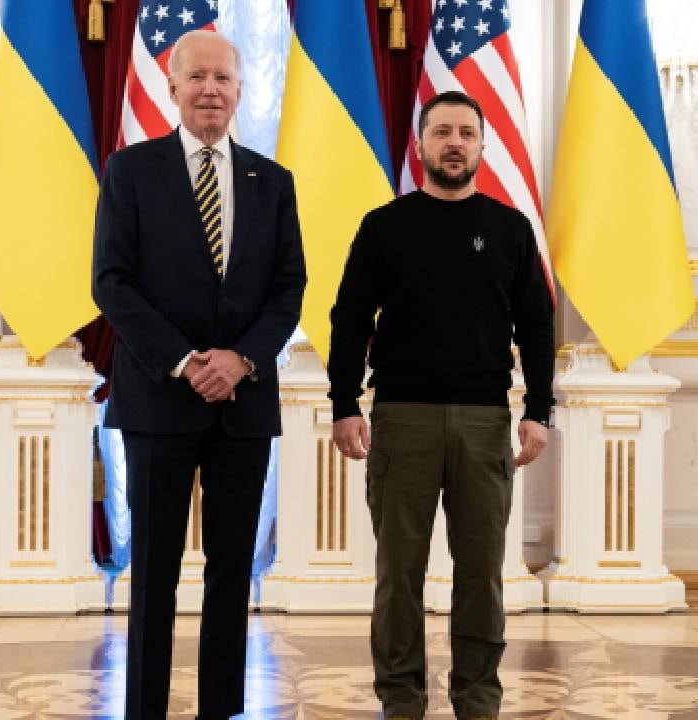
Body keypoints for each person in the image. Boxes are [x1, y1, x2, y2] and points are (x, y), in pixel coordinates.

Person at [91, 30, 306, 720]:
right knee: (153, 572)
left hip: (244, 403)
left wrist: (241, 359)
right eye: (197, 77)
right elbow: (112, 283)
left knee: (231, 571)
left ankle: (221, 709)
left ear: (240, 90)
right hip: (159, 399)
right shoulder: (130, 171)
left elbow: (289, 289)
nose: (210, 89)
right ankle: (145, 711)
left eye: (223, 78)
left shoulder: (273, 182)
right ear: (173, 88)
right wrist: (187, 361)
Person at [328, 90, 555, 720]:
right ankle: (401, 700)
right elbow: (350, 320)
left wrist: (539, 410)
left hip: (486, 422)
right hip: (401, 420)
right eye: (442, 132)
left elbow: (538, 327)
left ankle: (477, 699)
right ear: (421, 144)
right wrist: (344, 403)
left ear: (482, 145)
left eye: (466, 134)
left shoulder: (511, 230)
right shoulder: (383, 226)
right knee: (398, 573)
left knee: (481, 573)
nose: (454, 143)